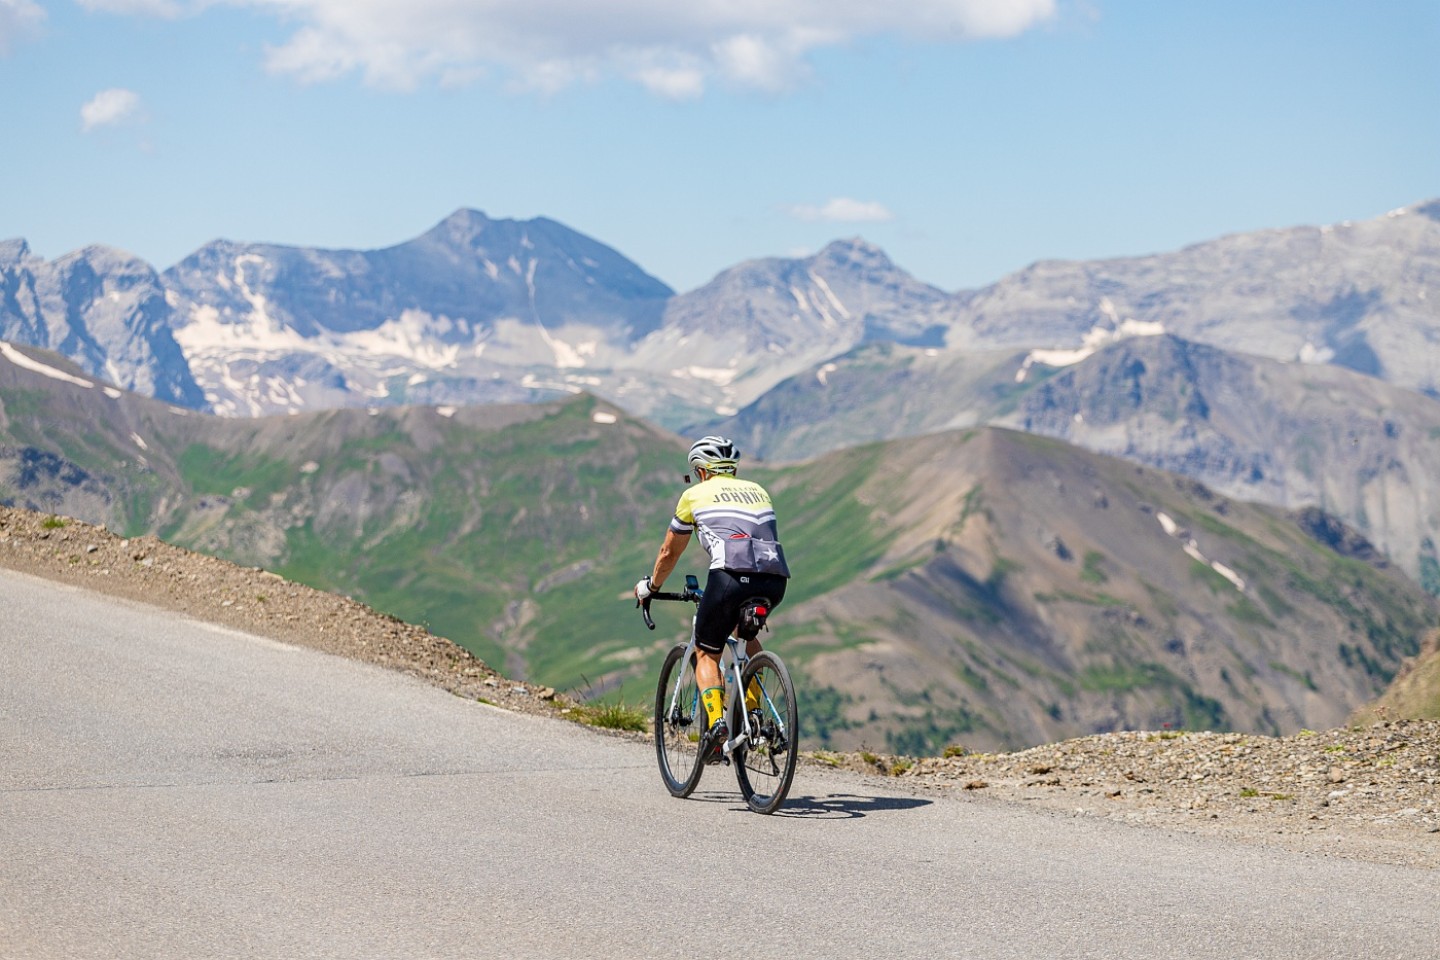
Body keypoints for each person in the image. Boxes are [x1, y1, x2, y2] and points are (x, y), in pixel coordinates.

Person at [635, 435, 790, 758]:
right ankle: (755, 716)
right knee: (746, 640)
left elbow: (669, 552)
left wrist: (651, 587)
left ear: (702, 470)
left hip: (730, 577)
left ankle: (717, 724)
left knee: (707, 652)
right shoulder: (758, 490)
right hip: (775, 581)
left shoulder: (693, 495)